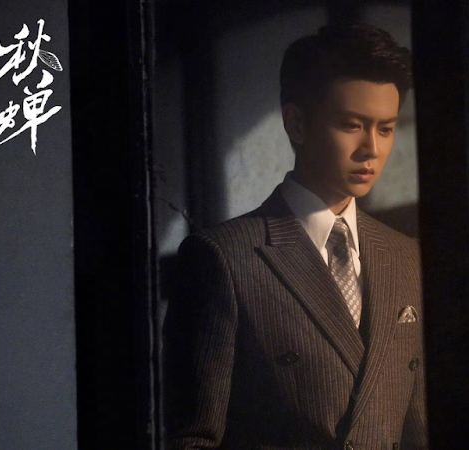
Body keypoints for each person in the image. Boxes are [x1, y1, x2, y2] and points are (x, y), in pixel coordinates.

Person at [163, 22, 427, 450]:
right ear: (297, 123)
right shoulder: (226, 257)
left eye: (386, 128)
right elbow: (191, 439)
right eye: (352, 125)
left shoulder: (405, 257)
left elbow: (420, 429)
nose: (372, 149)